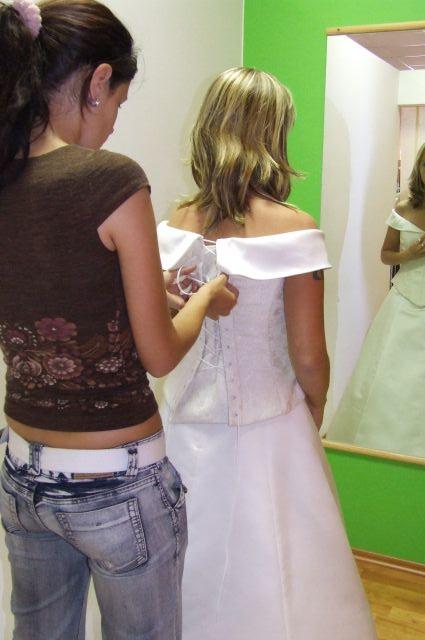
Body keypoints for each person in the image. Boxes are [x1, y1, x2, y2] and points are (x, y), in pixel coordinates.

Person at [0, 1, 237, 639]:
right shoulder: (111, 179)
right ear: (98, 80)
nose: (112, 125)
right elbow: (159, 355)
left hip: (23, 473)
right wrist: (206, 295)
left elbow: (50, 294)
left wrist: (147, 293)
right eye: (119, 104)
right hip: (116, 480)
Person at [157, 67, 377, 640]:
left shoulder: (176, 222)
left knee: (176, 568)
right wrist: (316, 405)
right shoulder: (294, 228)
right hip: (271, 426)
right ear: (273, 134)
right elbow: (308, 353)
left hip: (178, 427)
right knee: (279, 573)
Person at [326, 139, 425, 462]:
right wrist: (407, 255)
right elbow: (385, 255)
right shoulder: (403, 208)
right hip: (402, 301)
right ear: (417, 169)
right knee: (387, 377)